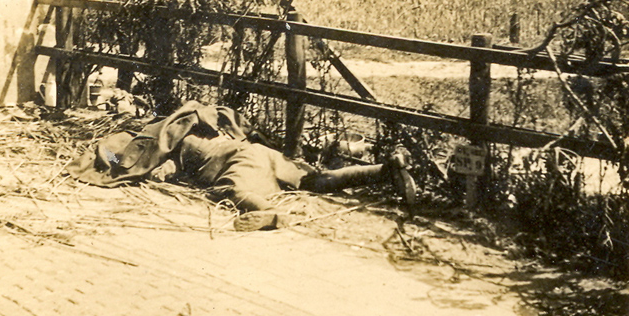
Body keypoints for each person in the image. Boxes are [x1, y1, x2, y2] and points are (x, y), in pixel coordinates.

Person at [67, 101, 416, 230]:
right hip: (258, 151)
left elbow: (128, 164)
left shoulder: (156, 139)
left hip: (238, 159)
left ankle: (271, 213)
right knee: (315, 180)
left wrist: (110, 159)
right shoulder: (191, 125)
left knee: (232, 191)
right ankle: (384, 170)